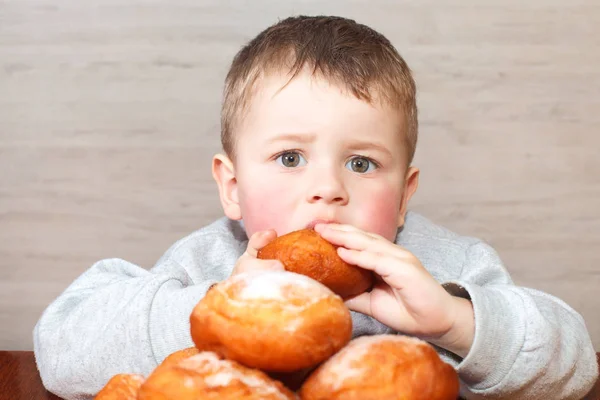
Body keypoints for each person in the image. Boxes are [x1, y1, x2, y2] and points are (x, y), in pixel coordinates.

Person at [33, 15, 598, 399]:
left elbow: (576, 365)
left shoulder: (442, 267)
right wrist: (210, 314)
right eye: (289, 158)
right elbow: (61, 346)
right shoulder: (211, 265)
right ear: (232, 186)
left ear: (404, 196)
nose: (327, 189)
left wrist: (456, 322)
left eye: (361, 163)